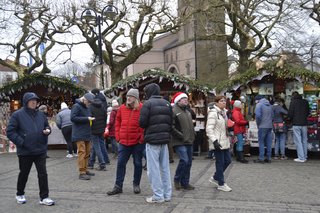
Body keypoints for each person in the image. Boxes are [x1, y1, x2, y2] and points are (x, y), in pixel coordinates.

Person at [6, 92, 55, 206]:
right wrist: (22, 142)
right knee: (24, 173)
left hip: (40, 149)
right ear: (26, 102)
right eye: (31, 100)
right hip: (25, 151)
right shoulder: (17, 115)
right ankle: (20, 193)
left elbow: (46, 126)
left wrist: (47, 130)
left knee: (43, 174)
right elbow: (10, 132)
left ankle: (44, 197)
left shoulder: (41, 115)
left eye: (35, 100)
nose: (34, 102)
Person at [139, 83, 173, 203]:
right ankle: (167, 194)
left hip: (152, 140)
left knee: (153, 169)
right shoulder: (167, 103)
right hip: (164, 140)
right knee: (165, 168)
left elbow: (142, 123)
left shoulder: (147, 104)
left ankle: (158, 196)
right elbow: (171, 122)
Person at [107, 88, 144, 195]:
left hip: (137, 143)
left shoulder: (141, 108)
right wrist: (118, 136)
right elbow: (117, 122)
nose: (128, 98)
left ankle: (136, 184)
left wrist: (141, 137)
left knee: (137, 163)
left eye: (131, 96)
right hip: (124, 142)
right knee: (121, 164)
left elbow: (144, 124)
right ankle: (118, 186)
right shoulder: (122, 108)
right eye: (127, 96)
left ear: (136, 98)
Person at [206, 95, 232, 192]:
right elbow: (209, 129)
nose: (223, 102)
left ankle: (216, 177)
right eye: (221, 101)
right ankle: (221, 183)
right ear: (216, 102)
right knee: (220, 162)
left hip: (224, 141)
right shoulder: (213, 113)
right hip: (217, 141)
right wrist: (214, 140)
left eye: (224, 101)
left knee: (228, 160)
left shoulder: (224, 113)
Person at [171, 92, 195, 191]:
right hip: (179, 141)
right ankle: (177, 179)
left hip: (189, 140)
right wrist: (180, 135)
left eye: (186, 98)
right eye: (183, 98)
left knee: (188, 162)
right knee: (184, 160)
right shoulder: (174, 111)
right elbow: (171, 127)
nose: (186, 100)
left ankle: (185, 182)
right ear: (178, 100)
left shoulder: (188, 111)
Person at [71, 93, 96, 180]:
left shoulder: (87, 107)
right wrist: (87, 119)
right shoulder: (76, 106)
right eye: (88, 102)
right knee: (82, 152)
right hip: (79, 133)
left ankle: (85, 170)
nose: (89, 104)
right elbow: (73, 118)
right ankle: (82, 172)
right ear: (84, 99)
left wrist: (90, 118)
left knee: (87, 152)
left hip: (86, 133)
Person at [88, 93, 110, 171]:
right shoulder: (102, 106)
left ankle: (102, 164)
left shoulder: (90, 107)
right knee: (99, 145)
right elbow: (105, 117)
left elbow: (90, 119)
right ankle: (91, 162)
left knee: (96, 146)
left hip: (93, 130)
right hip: (101, 129)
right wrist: (103, 127)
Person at [288, 92, 309, 163]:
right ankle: (305, 156)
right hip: (304, 123)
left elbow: (290, 114)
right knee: (304, 140)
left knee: (298, 141)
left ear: (293, 96)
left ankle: (301, 157)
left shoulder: (293, 102)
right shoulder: (305, 102)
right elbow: (308, 112)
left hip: (296, 124)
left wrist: (290, 119)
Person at [254, 95, 273, 164]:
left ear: (258, 100)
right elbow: (272, 115)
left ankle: (261, 158)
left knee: (261, 142)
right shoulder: (270, 105)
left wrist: (258, 124)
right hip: (269, 126)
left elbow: (258, 116)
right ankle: (269, 158)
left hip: (262, 126)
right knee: (268, 142)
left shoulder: (259, 105)